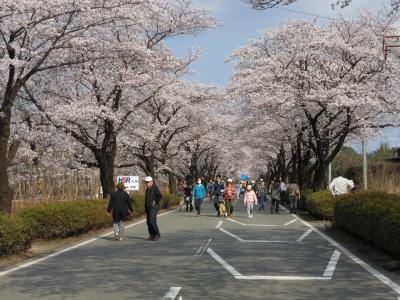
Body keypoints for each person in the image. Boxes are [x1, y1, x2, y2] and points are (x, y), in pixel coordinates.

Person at [144, 176, 163, 241]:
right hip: (148, 207)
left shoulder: (154, 188)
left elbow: (160, 196)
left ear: (151, 182)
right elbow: (146, 199)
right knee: (148, 222)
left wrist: (155, 200)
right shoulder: (147, 189)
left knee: (152, 221)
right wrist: (145, 208)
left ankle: (157, 234)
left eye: (148, 182)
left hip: (154, 207)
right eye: (146, 182)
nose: (147, 183)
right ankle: (151, 235)